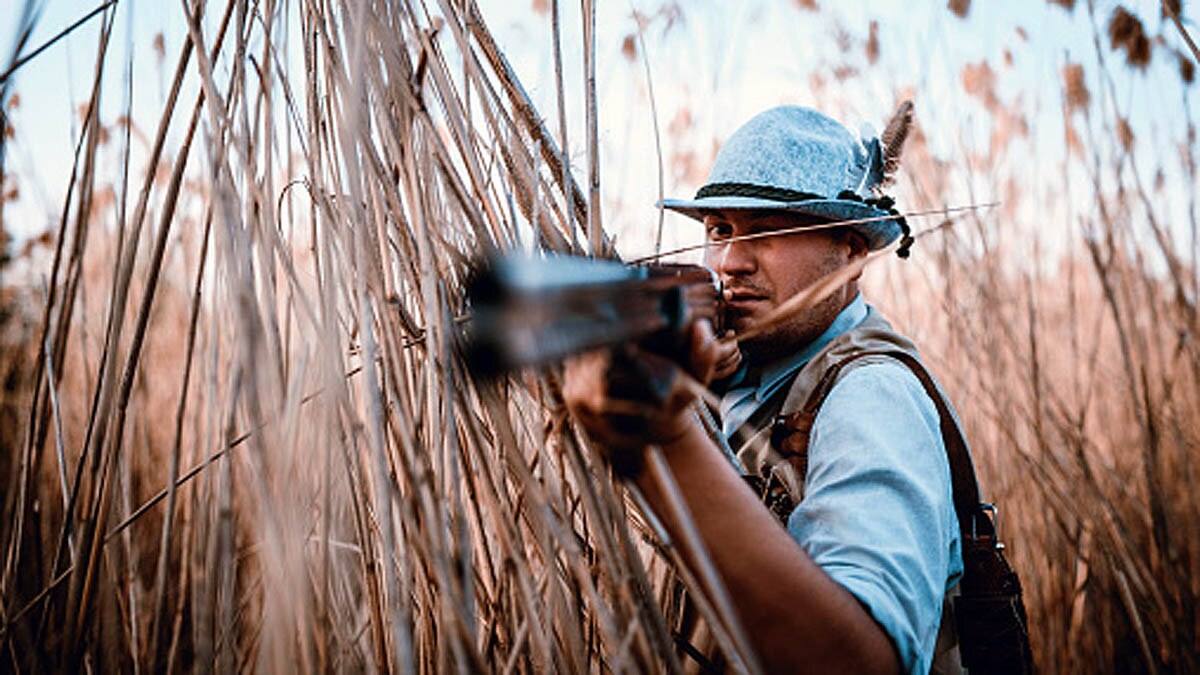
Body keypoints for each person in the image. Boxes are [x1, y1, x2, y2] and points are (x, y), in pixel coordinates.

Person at [562, 106, 964, 674]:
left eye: (770, 232)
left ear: (851, 252)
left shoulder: (870, 397)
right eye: (720, 229)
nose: (729, 262)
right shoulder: (747, 370)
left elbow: (860, 664)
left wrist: (667, 434)